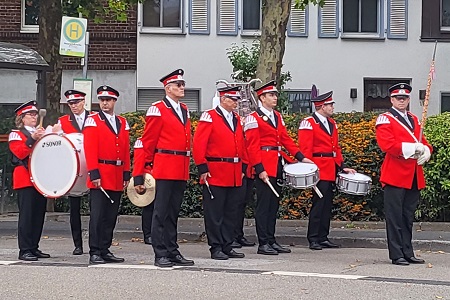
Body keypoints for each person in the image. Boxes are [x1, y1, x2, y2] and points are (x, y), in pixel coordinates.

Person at [244, 80, 313, 255]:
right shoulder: (253, 118)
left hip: (276, 163)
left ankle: (271, 239)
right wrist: (259, 169)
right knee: (264, 205)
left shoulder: (277, 116)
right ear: (262, 98)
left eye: (275, 94)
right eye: (271, 95)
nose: (275, 97)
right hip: (264, 165)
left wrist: (301, 157)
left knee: (273, 204)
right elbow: (252, 147)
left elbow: (285, 139)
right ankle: (263, 242)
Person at [141, 69, 194, 267]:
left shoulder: (184, 109)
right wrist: (146, 167)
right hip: (164, 165)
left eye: (183, 84)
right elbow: (148, 141)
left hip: (180, 166)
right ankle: (160, 252)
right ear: (168, 88)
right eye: (178, 85)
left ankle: (172, 249)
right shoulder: (157, 108)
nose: (182, 88)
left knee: (173, 212)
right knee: (160, 212)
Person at [375, 83, 432, 266]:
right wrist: (412, 147)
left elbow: (423, 142)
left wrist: (427, 151)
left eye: (405, 98)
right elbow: (387, 145)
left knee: (407, 217)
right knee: (395, 217)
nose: (402, 101)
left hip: (413, 175)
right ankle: (396, 254)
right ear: (391, 99)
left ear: (408, 100)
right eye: (398, 98)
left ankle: (408, 252)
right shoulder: (385, 119)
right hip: (395, 174)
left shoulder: (414, 119)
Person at [193, 85, 248, 260]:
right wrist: (202, 167)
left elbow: (242, 144)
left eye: (237, 100)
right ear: (223, 99)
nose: (236, 103)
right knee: (215, 213)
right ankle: (215, 246)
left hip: (234, 171)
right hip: (216, 170)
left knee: (231, 212)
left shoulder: (236, 118)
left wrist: (244, 167)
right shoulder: (209, 116)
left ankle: (227, 244)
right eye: (233, 99)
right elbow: (199, 143)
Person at [298, 91, 355, 251]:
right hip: (317, 167)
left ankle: (323, 236)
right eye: (330, 105)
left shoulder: (332, 124)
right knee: (318, 204)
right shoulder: (309, 122)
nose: (332, 107)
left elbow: (335, 148)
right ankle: (313, 238)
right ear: (321, 106)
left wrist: (342, 166)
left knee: (327, 204)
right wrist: (309, 169)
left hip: (330, 168)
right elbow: (305, 148)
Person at [83, 85, 131, 264]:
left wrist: (126, 173)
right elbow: (90, 148)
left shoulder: (122, 122)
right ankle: (95, 251)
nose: (104, 103)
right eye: (102, 100)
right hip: (101, 173)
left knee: (111, 215)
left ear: (114, 101)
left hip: (117, 173)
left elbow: (125, 149)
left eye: (108, 100)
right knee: (98, 215)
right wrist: (94, 173)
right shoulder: (92, 120)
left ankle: (105, 248)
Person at [8, 100, 49, 261]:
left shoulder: (41, 132)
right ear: (21, 118)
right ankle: (24, 249)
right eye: (30, 115)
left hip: (41, 179)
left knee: (39, 214)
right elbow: (20, 153)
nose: (34, 116)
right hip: (25, 179)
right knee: (27, 215)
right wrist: (32, 138)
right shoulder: (16, 134)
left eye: (34, 114)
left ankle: (34, 246)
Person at [58, 89, 89, 255]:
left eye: (76, 102)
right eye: (70, 103)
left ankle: (96, 243)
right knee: (74, 209)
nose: (74, 106)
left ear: (84, 102)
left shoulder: (94, 118)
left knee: (96, 209)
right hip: (75, 169)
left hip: (92, 168)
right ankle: (78, 244)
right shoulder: (63, 121)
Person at [132, 137, 154, 245]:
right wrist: (138, 180)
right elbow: (139, 161)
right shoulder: (142, 141)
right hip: (148, 176)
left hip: (160, 174)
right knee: (149, 206)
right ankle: (148, 234)